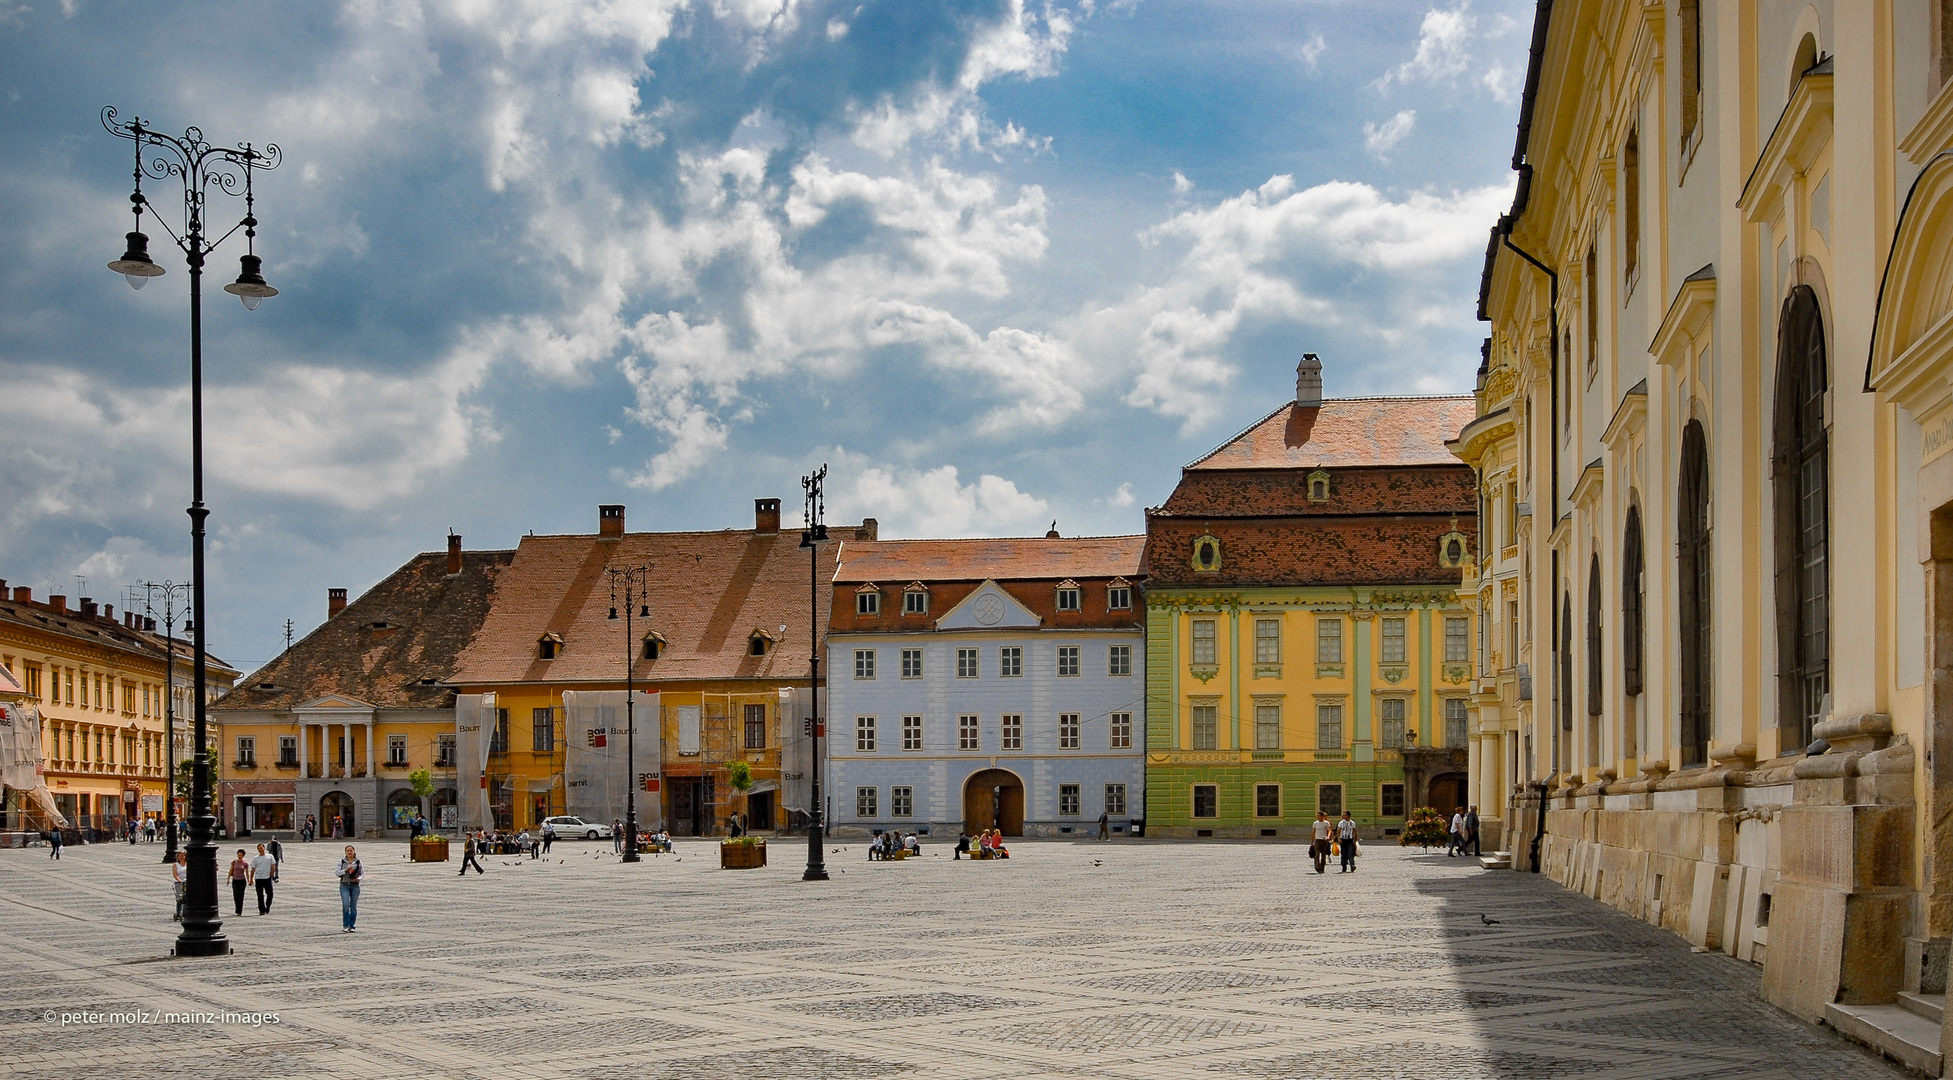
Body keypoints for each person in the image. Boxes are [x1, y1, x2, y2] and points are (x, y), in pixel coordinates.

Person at [336, 845, 363, 933]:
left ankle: (352, 925)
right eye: (348, 850)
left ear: (354, 851)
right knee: (346, 904)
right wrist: (345, 870)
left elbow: (362, 873)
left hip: (355, 886)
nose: (349, 852)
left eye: (351, 850)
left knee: (353, 906)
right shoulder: (342, 862)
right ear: (345, 852)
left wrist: (358, 879)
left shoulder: (358, 862)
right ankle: (345, 925)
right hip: (344, 885)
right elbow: (337, 872)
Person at [250, 843, 278, 914]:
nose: (260, 850)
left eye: (261, 848)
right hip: (259, 878)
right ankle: (261, 910)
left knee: (270, 894)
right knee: (260, 895)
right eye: (258, 849)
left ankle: (267, 906)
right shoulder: (256, 858)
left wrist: (272, 872)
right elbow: (253, 869)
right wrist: (251, 879)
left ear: (264, 848)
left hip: (267, 877)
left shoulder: (270, 856)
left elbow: (273, 865)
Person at [228, 849, 250, 916]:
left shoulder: (245, 863)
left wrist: (249, 880)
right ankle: (237, 909)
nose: (239, 856)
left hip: (242, 881)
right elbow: (231, 870)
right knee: (235, 895)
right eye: (238, 855)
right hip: (235, 880)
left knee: (240, 895)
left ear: (243, 855)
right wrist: (228, 878)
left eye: (240, 855)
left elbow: (247, 872)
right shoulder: (234, 862)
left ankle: (239, 911)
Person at [171, 851, 187, 919]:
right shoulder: (175, 865)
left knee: (186, 897)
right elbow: (175, 874)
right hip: (179, 882)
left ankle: (185, 912)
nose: (181, 857)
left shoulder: (188, 864)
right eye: (180, 856)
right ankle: (178, 912)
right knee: (179, 898)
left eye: (183, 856)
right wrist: (179, 880)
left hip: (187, 882)